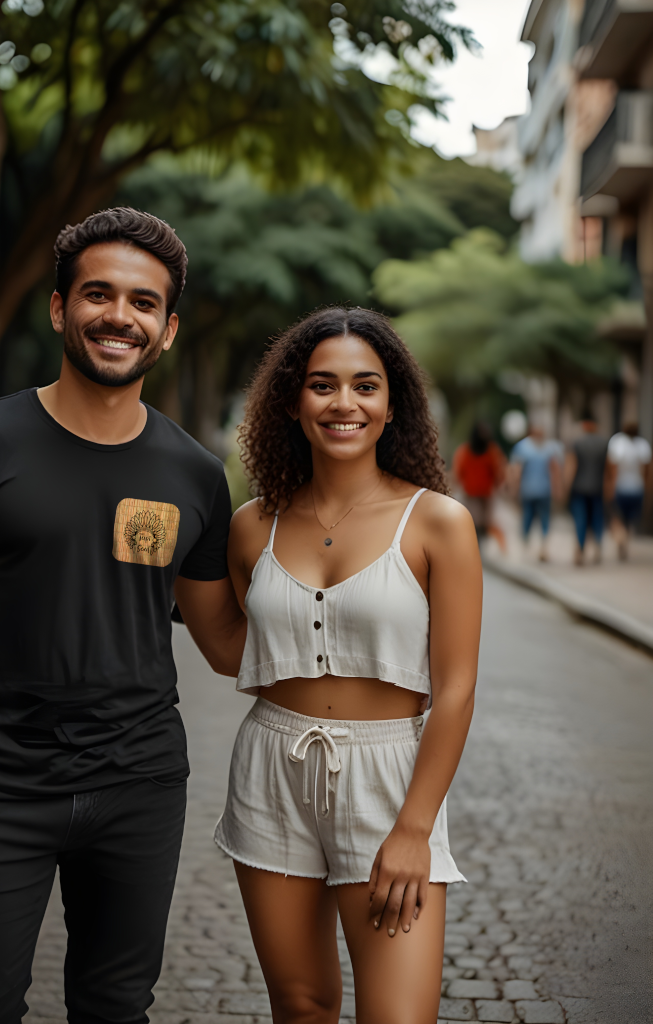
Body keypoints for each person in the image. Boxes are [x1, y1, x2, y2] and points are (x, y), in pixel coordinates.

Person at [0, 208, 246, 1024]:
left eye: (143, 303)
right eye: (99, 294)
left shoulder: (194, 474)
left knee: (117, 1009)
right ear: (59, 309)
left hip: (140, 785)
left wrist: (342, 584)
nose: (120, 315)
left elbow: (224, 641)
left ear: (169, 329)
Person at [214, 307, 481, 1024]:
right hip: (272, 765)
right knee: (300, 1006)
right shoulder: (251, 525)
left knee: (399, 1016)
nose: (343, 404)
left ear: (392, 403)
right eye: (322, 385)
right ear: (293, 402)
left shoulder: (437, 523)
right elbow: (234, 650)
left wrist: (414, 829)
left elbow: (455, 691)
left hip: (389, 780)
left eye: (365, 386)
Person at [509, 424, 563, 562]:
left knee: (533, 517)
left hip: (535, 490)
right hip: (535, 490)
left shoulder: (524, 447)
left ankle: (535, 545)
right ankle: (534, 544)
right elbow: (517, 471)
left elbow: (554, 470)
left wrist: (514, 489)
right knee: (534, 517)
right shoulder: (548, 448)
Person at [451, 420, 507, 552]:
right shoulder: (465, 451)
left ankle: (483, 547)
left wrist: (498, 486)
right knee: (473, 522)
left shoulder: (492, 451)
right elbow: (459, 472)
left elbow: (498, 471)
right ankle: (476, 547)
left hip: (486, 495)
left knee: (485, 523)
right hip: (471, 494)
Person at [564, 413, 608, 565]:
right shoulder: (604, 443)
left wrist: (566, 488)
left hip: (579, 488)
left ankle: (580, 550)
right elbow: (609, 469)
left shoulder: (577, 443)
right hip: (597, 487)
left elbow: (571, 467)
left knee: (580, 520)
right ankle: (597, 546)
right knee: (597, 518)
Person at [607, 421, 652, 560]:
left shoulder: (617, 442)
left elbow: (612, 468)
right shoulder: (643, 445)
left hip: (621, 487)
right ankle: (625, 536)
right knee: (630, 519)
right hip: (636, 488)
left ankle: (621, 537)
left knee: (617, 516)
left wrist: (610, 487)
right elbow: (646, 470)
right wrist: (647, 488)